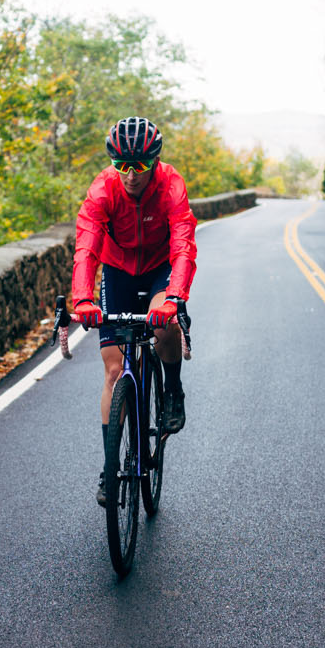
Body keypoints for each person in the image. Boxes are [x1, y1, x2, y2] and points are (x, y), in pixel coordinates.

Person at [70, 116, 196, 505]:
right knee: (113, 369)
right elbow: (87, 246)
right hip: (119, 271)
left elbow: (183, 246)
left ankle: (172, 388)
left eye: (139, 166)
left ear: (154, 162)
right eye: (121, 165)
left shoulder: (171, 185)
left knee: (164, 326)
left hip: (160, 269)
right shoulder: (103, 188)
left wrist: (175, 297)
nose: (130, 175)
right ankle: (111, 468)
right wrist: (82, 300)